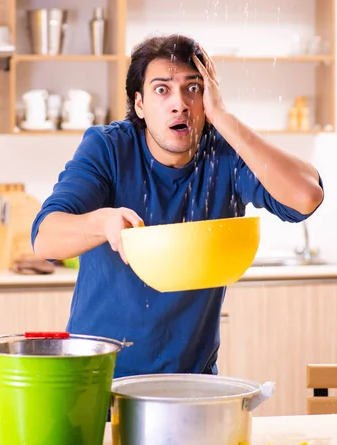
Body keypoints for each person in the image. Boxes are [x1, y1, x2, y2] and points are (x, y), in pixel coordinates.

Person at [31, 34, 324, 378]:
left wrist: (223, 117)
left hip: (191, 381)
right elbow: (45, 240)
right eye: (162, 89)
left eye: (193, 89)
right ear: (139, 104)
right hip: (98, 379)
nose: (179, 103)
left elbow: (306, 196)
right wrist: (104, 222)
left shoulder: (225, 155)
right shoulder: (109, 148)